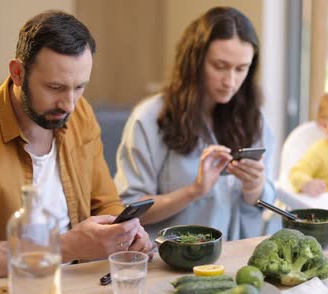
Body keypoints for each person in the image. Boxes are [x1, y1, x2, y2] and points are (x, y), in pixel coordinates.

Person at [0, 10, 153, 283]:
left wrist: (126, 233)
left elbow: (105, 202)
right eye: (55, 87)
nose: (69, 104)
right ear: (17, 73)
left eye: (80, 87)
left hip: (80, 286)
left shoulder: (80, 114)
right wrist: (64, 247)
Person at [114, 7, 278, 240]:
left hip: (232, 257)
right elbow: (129, 211)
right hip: (166, 260)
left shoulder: (254, 119)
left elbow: (263, 203)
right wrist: (194, 191)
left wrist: (255, 187)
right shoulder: (149, 118)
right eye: (220, 66)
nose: (230, 81)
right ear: (195, 61)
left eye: (241, 69)